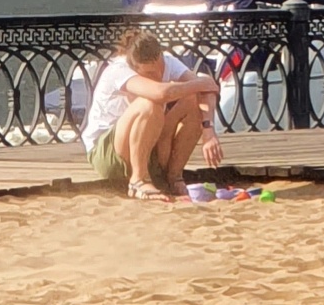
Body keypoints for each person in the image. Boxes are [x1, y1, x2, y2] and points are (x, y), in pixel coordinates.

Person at [83, 26, 223, 199]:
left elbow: (208, 88)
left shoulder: (169, 62)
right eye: (149, 72)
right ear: (134, 66)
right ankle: (138, 180)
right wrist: (200, 84)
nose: (158, 74)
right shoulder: (118, 69)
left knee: (193, 101)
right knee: (150, 103)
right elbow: (160, 93)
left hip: (149, 144)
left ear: (161, 56)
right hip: (109, 154)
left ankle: (173, 177)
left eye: (160, 68)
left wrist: (208, 131)